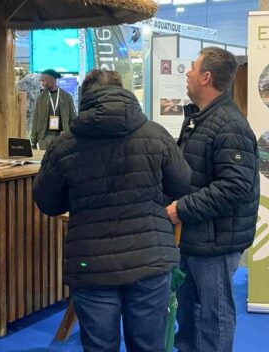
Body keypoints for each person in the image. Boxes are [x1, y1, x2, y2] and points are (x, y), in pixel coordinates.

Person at [33, 69, 191, 352]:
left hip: (90, 263)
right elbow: (181, 183)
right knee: (148, 346)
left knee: (99, 346)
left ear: (85, 97)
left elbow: (47, 203)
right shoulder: (155, 134)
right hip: (150, 256)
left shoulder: (64, 145)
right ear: (124, 91)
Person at [166, 47, 260, 352]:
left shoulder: (229, 124)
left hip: (216, 240)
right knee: (189, 310)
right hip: (196, 235)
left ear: (206, 77)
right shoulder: (200, 119)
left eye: (192, 68)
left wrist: (181, 208)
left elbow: (234, 187)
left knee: (214, 313)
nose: (188, 74)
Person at [30, 69, 76, 150]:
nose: (42, 84)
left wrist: (72, 136)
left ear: (52, 80)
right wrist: (33, 141)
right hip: (44, 138)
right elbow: (36, 119)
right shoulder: (40, 98)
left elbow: (72, 118)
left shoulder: (67, 97)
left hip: (62, 137)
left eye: (44, 81)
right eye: (41, 81)